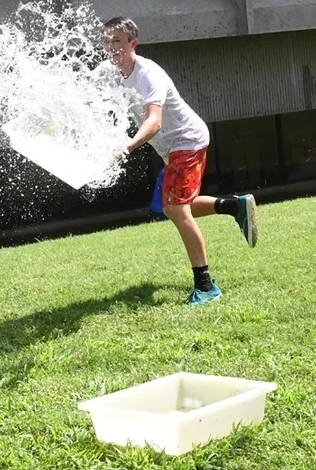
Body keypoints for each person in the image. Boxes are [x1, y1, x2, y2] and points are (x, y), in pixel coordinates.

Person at [102, 16, 258, 307]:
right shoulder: (108, 72)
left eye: (118, 41)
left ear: (133, 44)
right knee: (173, 206)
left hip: (187, 140)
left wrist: (127, 146)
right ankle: (233, 206)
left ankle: (206, 285)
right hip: (170, 148)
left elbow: (154, 122)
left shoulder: (148, 74)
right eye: (107, 40)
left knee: (174, 208)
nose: (111, 47)